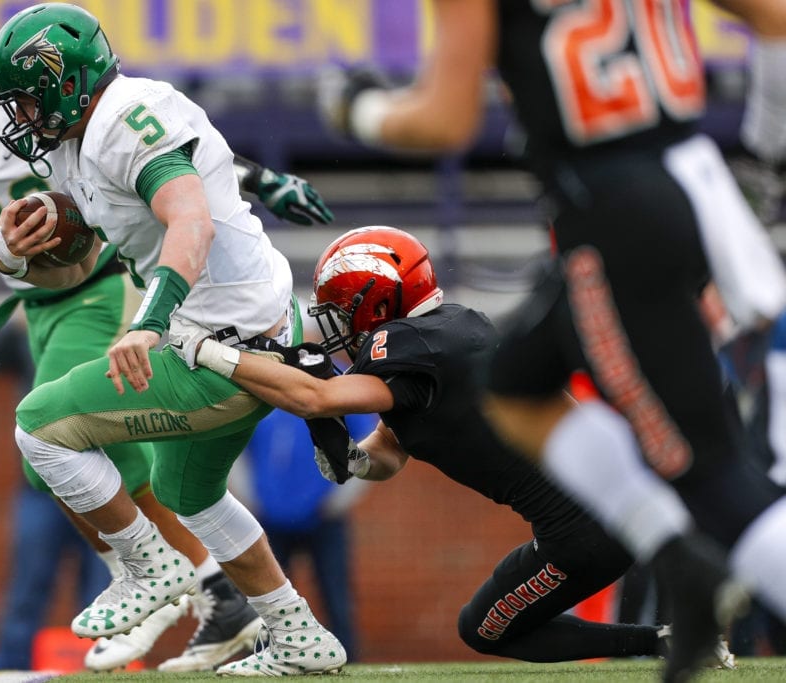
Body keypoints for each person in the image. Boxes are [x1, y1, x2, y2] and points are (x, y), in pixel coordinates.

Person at [317, 1, 786, 680]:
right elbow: (772, 18)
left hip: (608, 206)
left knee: (710, 471)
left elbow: (445, 119)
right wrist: (772, 151)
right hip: (691, 180)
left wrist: (356, 109)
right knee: (516, 382)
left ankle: (685, 553)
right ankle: (677, 555)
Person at [0, 0, 332, 671]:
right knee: (70, 451)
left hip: (104, 283)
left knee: (61, 433)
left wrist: (260, 179)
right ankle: (207, 589)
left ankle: (174, 581)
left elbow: (165, 156)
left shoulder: (47, 102)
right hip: (38, 300)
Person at [193, 225, 735, 667]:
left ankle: (669, 638)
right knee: (484, 625)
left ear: (376, 303)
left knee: (488, 629)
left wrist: (210, 353)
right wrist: (352, 459)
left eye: (342, 309)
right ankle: (673, 636)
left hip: (584, 529)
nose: (337, 326)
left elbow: (317, 397)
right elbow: (389, 451)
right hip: (602, 507)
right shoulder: (446, 334)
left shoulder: (410, 345)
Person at [0, 320, 112, 671]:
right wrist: (13, 323)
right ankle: (8, 670)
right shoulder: (37, 321)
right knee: (27, 587)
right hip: (41, 487)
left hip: (104, 484)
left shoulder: (106, 317)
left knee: (103, 593)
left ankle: (104, 669)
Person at [235, 407, 375, 662]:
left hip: (324, 519)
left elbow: (369, 450)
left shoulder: (339, 394)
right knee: (264, 599)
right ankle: (260, 658)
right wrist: (254, 500)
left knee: (336, 597)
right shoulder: (261, 396)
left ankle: (347, 661)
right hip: (269, 521)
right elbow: (234, 451)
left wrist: (336, 502)